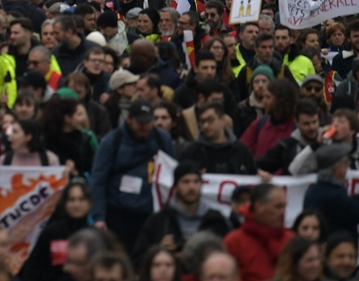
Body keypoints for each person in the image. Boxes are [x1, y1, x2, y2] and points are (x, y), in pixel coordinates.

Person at [91, 100, 174, 250]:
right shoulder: (111, 141)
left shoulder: (162, 139)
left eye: (148, 122)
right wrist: (98, 217)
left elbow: (172, 173)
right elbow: (98, 180)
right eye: (140, 122)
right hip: (119, 214)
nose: (144, 126)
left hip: (151, 213)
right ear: (129, 119)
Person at [132, 163, 230, 265]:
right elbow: (137, 261)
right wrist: (159, 251)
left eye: (196, 181)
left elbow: (230, 257)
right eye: (185, 182)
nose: (191, 187)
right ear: (175, 187)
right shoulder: (159, 221)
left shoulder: (216, 220)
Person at [18, 178, 92, 281]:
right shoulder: (51, 232)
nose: (76, 204)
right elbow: (34, 268)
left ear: (89, 203)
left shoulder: (95, 236)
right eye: (72, 200)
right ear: (65, 203)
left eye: (81, 199)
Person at [222, 183, 292, 281]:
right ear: (259, 206)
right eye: (277, 207)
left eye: (284, 207)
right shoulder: (234, 242)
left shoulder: (290, 240)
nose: (283, 213)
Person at [302, 143, 359, 238]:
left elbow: (343, 210)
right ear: (338, 169)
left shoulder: (312, 192)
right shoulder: (336, 196)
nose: (347, 168)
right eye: (346, 164)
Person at [180, 100, 257, 175]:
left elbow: (253, 174)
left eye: (210, 120)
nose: (205, 126)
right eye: (202, 122)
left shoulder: (241, 151)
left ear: (222, 120)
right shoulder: (192, 152)